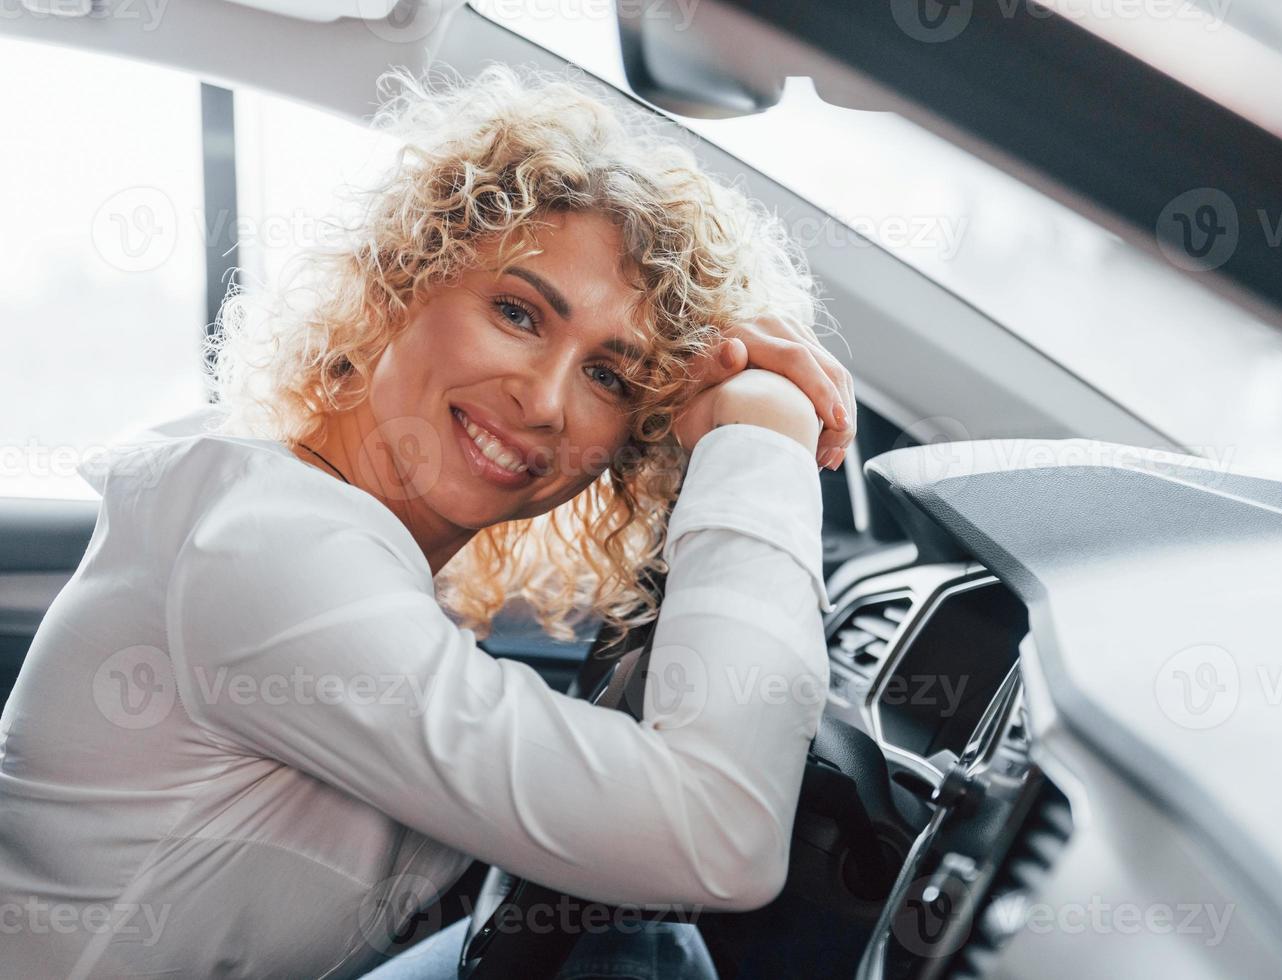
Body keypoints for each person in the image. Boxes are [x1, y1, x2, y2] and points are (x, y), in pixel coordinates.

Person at [0, 62, 855, 978]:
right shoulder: (265, 545)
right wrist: (762, 435)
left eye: (609, 375)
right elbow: (719, 835)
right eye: (518, 312)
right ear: (398, 281)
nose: (542, 400)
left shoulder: (331, 533)